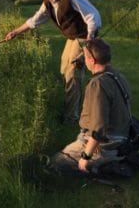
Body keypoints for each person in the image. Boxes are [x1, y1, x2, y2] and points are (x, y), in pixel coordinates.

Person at [6, 0, 101, 125]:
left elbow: (93, 15)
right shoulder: (48, 2)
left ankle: (71, 118)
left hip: (83, 38)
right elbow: (34, 20)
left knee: (73, 75)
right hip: (71, 38)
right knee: (64, 70)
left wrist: (89, 39)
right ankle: (72, 109)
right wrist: (15, 32)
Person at [49, 39, 131, 175]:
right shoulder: (118, 76)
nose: (83, 59)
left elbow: (98, 128)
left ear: (92, 60)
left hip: (107, 145)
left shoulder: (97, 84)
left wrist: (86, 156)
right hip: (122, 139)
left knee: (55, 163)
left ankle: (100, 163)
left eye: (84, 56)